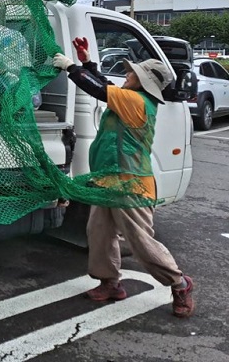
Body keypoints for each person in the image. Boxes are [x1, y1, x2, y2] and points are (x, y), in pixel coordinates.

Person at [53, 38, 195, 318]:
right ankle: (110, 284)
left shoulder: (138, 102)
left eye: (133, 73)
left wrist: (71, 68)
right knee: (100, 233)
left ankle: (180, 284)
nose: (127, 74)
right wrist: (87, 63)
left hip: (132, 185)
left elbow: (99, 90)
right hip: (109, 181)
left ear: (143, 83)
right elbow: (105, 84)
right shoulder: (129, 96)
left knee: (141, 242)